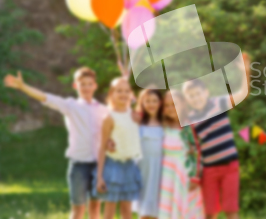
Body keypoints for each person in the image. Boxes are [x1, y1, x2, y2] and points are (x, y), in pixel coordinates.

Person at [3, 67, 107, 219]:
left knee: (95, 210)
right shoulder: (70, 106)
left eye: (89, 84)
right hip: (78, 165)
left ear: (95, 86)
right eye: (82, 84)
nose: (86, 87)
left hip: (99, 166)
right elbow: (45, 97)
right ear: (75, 86)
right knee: (78, 210)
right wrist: (23, 87)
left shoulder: (103, 110)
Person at [182, 53, 251, 219]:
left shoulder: (219, 103)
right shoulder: (190, 119)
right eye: (191, 96)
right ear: (187, 99)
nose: (195, 98)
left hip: (229, 166)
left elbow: (242, 93)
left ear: (206, 92)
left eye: (198, 93)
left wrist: (245, 72)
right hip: (208, 169)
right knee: (210, 211)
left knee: (230, 209)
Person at [93, 77, 142, 219]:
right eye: (119, 91)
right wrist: (99, 177)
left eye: (127, 91)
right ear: (111, 94)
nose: (123, 94)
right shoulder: (109, 118)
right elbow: (102, 148)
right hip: (112, 167)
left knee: (127, 210)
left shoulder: (134, 116)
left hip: (130, 166)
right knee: (110, 210)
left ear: (131, 95)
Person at [159, 89, 204, 219]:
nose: (170, 108)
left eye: (174, 104)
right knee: (167, 209)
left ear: (183, 104)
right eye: (166, 105)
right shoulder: (162, 126)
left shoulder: (188, 127)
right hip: (167, 175)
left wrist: (196, 176)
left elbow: (197, 151)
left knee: (186, 208)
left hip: (185, 174)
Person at [132, 89, 166, 219]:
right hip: (143, 169)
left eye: (154, 101)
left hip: (161, 169)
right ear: (142, 103)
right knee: (145, 209)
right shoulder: (138, 122)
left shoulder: (164, 123)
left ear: (160, 103)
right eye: (147, 101)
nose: (151, 104)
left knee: (159, 208)